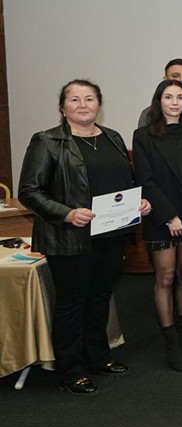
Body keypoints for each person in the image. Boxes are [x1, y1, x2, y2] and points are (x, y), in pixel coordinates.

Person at [19, 79, 151, 396]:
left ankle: (98, 357)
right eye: (75, 99)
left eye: (89, 98)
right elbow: (29, 191)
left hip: (110, 234)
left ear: (98, 104)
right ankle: (71, 371)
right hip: (69, 237)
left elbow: (123, 182)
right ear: (63, 107)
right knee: (72, 303)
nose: (83, 104)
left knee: (100, 298)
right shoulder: (47, 141)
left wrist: (139, 202)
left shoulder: (112, 137)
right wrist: (66, 213)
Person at [133, 79, 182, 370]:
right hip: (161, 216)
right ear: (159, 101)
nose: (175, 102)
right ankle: (169, 340)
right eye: (168, 97)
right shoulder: (143, 135)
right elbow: (145, 179)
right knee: (165, 276)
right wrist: (169, 216)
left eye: (180, 97)